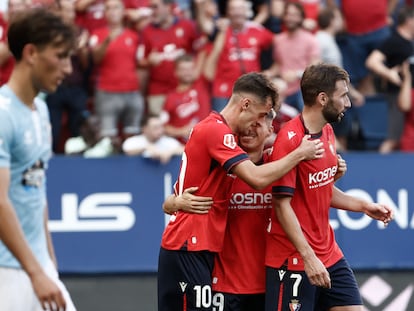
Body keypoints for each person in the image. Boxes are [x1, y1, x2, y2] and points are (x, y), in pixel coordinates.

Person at [157, 72, 325, 311]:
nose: (254, 126)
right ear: (245, 104)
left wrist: (332, 171)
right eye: (258, 115)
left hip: (204, 250)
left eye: (263, 121)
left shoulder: (231, 143)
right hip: (189, 246)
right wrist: (299, 153)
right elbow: (256, 178)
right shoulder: (218, 133)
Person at [264, 63, 393, 311]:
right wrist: (308, 258)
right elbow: (282, 205)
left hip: (329, 253)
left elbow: (320, 191)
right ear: (322, 98)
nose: (348, 103)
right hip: (293, 259)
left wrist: (364, 206)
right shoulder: (289, 141)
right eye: (343, 95)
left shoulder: (328, 132)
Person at [0, 8, 77, 311]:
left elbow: (36, 188)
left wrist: (48, 263)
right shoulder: (3, 114)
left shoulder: (41, 111)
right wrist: (35, 271)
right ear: (31, 52)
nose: (68, 68)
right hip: (7, 272)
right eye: (60, 56)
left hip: (38, 267)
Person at [365, 5, 414, 153]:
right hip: (397, 95)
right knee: (394, 137)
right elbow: (372, 61)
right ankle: (378, 168)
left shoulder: (409, 42)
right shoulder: (394, 41)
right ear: (409, 21)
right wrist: (389, 74)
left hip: (410, 96)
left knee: (404, 137)